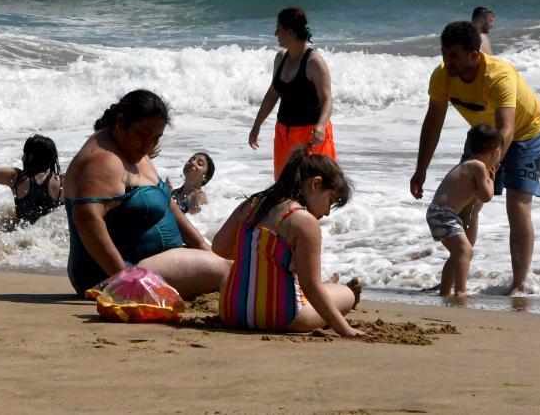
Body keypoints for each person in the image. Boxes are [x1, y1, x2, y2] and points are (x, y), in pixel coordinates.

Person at [410, 20, 540, 295]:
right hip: (483, 136)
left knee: (517, 205)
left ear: (474, 56)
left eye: (454, 55)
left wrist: (489, 170)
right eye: (444, 53)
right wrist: (420, 169)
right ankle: (457, 276)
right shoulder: (442, 76)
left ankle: (518, 284)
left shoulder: (499, 76)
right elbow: (433, 122)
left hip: (526, 133)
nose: (447, 61)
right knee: (466, 205)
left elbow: (506, 130)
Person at [63, 90, 229, 299]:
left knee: (233, 261)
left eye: (156, 137)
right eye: (143, 134)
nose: (149, 145)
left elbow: (168, 202)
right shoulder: (104, 161)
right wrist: (124, 278)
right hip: (117, 272)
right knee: (230, 272)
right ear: (121, 122)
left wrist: (203, 246)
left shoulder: (131, 150)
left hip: (150, 262)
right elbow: (86, 218)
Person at [213, 150, 361, 338]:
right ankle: (333, 291)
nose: (328, 213)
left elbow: (219, 247)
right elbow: (310, 287)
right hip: (282, 318)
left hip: (232, 313)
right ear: (315, 184)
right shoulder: (303, 221)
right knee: (345, 294)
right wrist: (345, 329)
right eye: (330, 201)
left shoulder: (252, 204)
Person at [247, 6, 336, 177]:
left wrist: (321, 126)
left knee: (312, 190)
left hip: (310, 136)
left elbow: (327, 99)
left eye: (278, 29)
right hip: (284, 134)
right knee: (283, 191)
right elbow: (273, 93)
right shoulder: (280, 58)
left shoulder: (314, 62)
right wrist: (257, 125)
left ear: (289, 33)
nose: (275, 33)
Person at [427, 123, 505, 299]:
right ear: (495, 150)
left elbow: (474, 198)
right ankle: (460, 291)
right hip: (443, 214)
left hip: (439, 213)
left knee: (457, 254)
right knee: (465, 252)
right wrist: (492, 179)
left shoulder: (468, 164)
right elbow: (486, 196)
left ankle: (445, 292)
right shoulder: (478, 167)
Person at [171, 151, 215, 215]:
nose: (193, 162)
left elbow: (194, 221)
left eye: (199, 163)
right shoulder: (174, 192)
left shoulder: (199, 197)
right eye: (191, 159)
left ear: (205, 177)